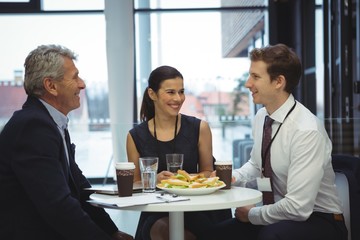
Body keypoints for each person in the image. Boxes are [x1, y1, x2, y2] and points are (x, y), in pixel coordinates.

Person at [204, 43, 348, 240]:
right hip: (279, 215)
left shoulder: (306, 130)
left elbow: (298, 208)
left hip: (320, 219)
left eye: (255, 77)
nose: (248, 83)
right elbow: (256, 164)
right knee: (214, 235)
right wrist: (233, 177)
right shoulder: (262, 116)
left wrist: (252, 214)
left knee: (270, 236)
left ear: (278, 81)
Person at [0, 45, 133, 240]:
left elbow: (79, 186)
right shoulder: (33, 127)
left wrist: (112, 231)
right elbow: (58, 206)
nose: (82, 84)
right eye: (75, 77)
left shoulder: (52, 122)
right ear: (51, 86)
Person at [126, 65, 231, 240]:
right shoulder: (135, 136)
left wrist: (187, 182)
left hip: (197, 207)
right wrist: (153, 179)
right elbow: (135, 182)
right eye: (170, 92)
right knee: (163, 230)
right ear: (152, 94)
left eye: (181, 92)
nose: (178, 98)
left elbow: (207, 170)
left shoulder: (200, 128)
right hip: (158, 209)